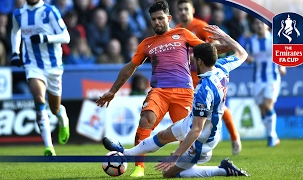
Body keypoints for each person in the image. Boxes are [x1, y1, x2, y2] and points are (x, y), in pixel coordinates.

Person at [95, 1, 230, 177]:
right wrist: (113, 90)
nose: (157, 22)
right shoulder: (146, 44)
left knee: (188, 134)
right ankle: (139, 168)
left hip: (184, 92)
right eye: (153, 19)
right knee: (146, 119)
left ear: (169, 18)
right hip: (159, 91)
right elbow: (130, 67)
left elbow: (206, 49)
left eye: (160, 18)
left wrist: (227, 45)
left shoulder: (182, 33)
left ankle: (189, 166)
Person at [175, 0, 241, 155]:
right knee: (187, 116)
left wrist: (201, 50)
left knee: (220, 108)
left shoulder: (201, 26)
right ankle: (184, 150)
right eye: (181, 9)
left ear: (192, 10)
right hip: (187, 79)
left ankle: (234, 136)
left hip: (205, 76)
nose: (183, 12)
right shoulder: (176, 31)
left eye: (186, 8)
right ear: (178, 13)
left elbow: (215, 46)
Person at [10, 0, 70, 156]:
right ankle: (49, 147)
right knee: (38, 100)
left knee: (54, 108)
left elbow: (66, 36)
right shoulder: (18, 13)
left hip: (53, 66)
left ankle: (62, 116)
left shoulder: (50, 11)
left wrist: (45, 38)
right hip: (32, 64)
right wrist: (15, 53)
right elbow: (15, 32)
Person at [243, 18, 286, 146]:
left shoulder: (275, 39)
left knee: (268, 106)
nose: (259, 25)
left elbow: (282, 55)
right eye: (256, 23)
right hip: (257, 79)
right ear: (254, 26)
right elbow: (247, 57)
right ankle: (273, 136)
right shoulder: (250, 42)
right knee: (262, 109)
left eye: (262, 23)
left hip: (272, 77)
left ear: (267, 26)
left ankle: (272, 136)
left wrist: (282, 66)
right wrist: (248, 59)